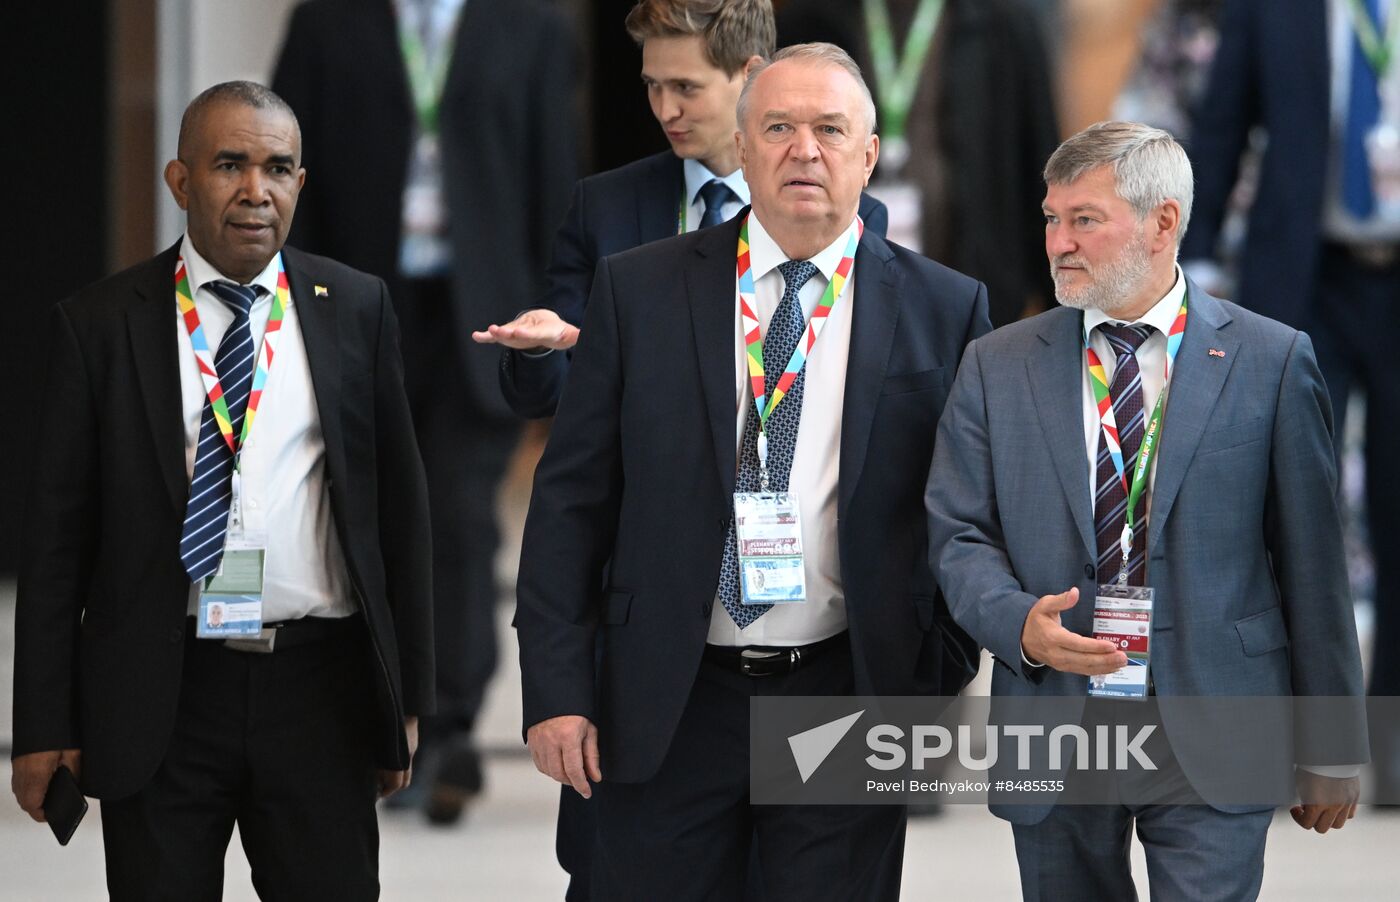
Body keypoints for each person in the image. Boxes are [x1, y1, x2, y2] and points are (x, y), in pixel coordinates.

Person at [516, 43, 987, 900]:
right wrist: (555, 689)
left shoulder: (946, 308)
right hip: (666, 693)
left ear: (869, 155)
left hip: (846, 698)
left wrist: (931, 670)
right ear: (741, 148)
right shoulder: (640, 290)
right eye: (778, 127)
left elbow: (965, 510)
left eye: (829, 129)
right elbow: (571, 503)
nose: (804, 150)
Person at [9, 82, 432, 900]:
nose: (254, 190)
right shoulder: (99, 324)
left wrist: (405, 699)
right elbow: (56, 544)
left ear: (300, 185)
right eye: (229, 165)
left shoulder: (355, 307)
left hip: (319, 688)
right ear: (180, 181)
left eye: (277, 168)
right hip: (162, 692)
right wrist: (43, 727)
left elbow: (402, 517)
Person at [926, 121, 1367, 901]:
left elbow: (1313, 564)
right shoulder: (996, 364)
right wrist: (1016, 622)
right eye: (1051, 218)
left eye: (1084, 219)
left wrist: (1330, 741)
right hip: (1056, 719)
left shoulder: (1272, 360)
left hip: (1216, 716)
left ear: (1163, 222)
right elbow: (958, 532)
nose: (1059, 241)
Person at [271, 0, 578, 824]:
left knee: (457, 515)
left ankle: (446, 723)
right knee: (360, 514)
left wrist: (555, 323)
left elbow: (553, 178)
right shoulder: (331, 22)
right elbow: (287, 168)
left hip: (486, 313)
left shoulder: (533, 27)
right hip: (364, 305)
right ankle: (373, 712)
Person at [474, 0, 888, 420]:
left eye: (685, 87)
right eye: (653, 85)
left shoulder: (851, 216)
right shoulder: (604, 207)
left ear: (751, 75)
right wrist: (541, 347)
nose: (665, 109)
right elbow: (546, 395)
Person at [1183, 0, 1400, 795]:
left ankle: (1390, 747)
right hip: (1306, 281)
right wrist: (1197, 252)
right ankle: (1284, 737)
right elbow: (1222, 119)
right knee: (1287, 513)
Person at [776, 0, 1060, 327]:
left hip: (978, 294)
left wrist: (1062, 318)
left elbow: (1042, 170)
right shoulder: (810, 21)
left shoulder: (1003, 23)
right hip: (836, 295)